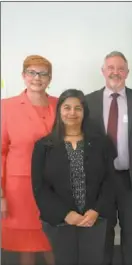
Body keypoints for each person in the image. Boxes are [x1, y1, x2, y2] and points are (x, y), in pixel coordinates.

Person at [31, 89, 115, 265]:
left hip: (95, 219)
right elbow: (40, 188)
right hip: (60, 222)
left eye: (78, 108)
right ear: (59, 110)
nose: (72, 113)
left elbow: (110, 181)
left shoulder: (101, 143)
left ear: (84, 112)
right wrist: (65, 214)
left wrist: (95, 210)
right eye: (67, 107)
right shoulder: (44, 146)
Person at [86, 51, 132, 265]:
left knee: (130, 231)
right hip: (101, 181)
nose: (115, 72)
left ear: (127, 73)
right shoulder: (88, 101)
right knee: (104, 232)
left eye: (120, 68)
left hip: (129, 178)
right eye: (111, 68)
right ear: (103, 71)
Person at [1, 55, 56, 265]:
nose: (37, 78)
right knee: (27, 245)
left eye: (43, 73)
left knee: (53, 240)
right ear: (23, 76)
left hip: (54, 186)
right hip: (21, 188)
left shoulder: (60, 104)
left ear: (50, 78)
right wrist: (1, 194)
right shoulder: (7, 107)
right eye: (32, 72)